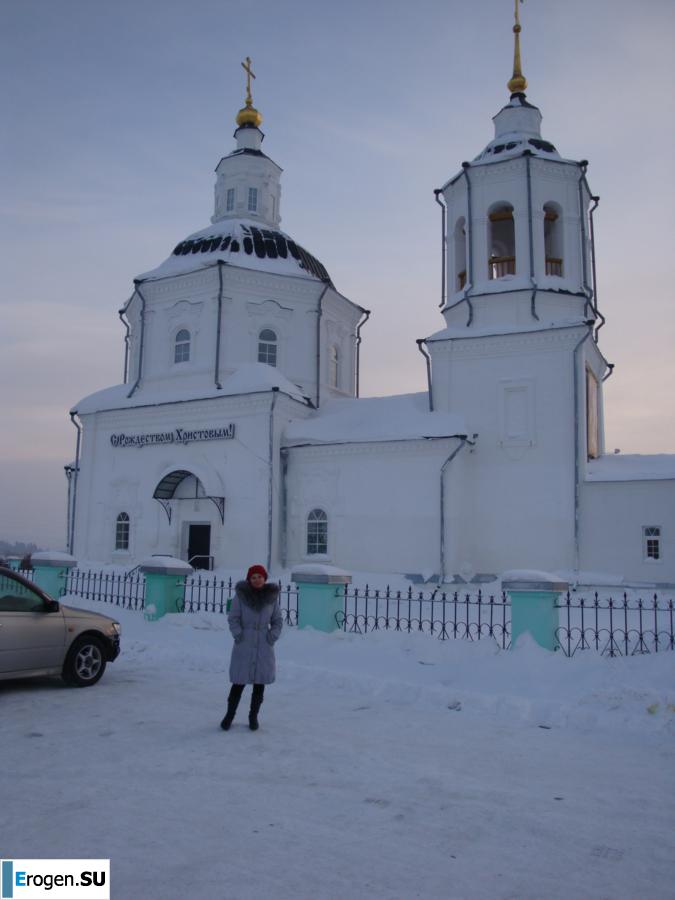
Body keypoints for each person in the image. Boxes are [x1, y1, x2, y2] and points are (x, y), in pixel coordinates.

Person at [221, 564, 283, 731]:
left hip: (264, 646)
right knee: (238, 683)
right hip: (244, 645)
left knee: (259, 684)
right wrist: (239, 634)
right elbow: (233, 618)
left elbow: (277, 621)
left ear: (265, 579)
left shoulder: (271, 598)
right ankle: (229, 715)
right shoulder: (240, 597)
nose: (257, 580)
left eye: (260, 577)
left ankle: (253, 717)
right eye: (254, 577)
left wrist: (272, 636)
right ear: (249, 580)